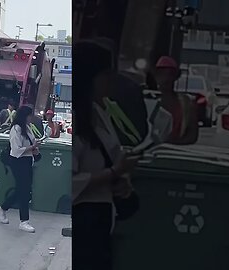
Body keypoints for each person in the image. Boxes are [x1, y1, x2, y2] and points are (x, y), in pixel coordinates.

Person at [73, 41, 141, 270]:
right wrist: (112, 172)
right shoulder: (78, 120)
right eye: (106, 76)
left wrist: (121, 181)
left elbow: (112, 156)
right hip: (84, 222)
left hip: (104, 218)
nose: (110, 82)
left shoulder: (99, 112)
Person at [0, 105, 39, 233]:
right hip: (18, 162)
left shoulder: (28, 128)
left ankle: (2, 209)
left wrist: (35, 148)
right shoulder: (16, 129)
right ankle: (24, 221)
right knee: (23, 191)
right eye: (30, 115)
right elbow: (16, 150)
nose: (32, 118)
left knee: (23, 189)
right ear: (25, 116)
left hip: (27, 161)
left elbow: (31, 143)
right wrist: (31, 148)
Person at [153, 56, 199, 145]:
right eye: (162, 74)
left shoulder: (186, 103)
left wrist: (171, 145)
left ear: (176, 76)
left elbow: (192, 135)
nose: (166, 78)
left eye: (169, 74)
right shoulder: (147, 99)